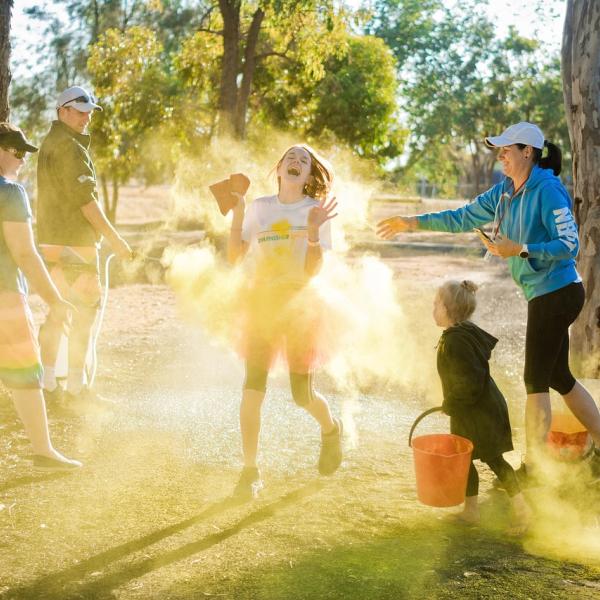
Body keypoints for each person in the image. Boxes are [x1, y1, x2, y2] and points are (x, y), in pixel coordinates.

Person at [377, 122, 600, 480]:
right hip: (543, 294)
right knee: (558, 376)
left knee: (535, 380)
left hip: (558, 292)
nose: (500, 156)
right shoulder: (503, 193)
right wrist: (411, 223)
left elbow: (569, 245)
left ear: (528, 152)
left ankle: (534, 468)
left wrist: (521, 249)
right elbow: (461, 217)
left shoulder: (548, 190)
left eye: (506, 150)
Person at [227, 144, 342, 498]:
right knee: (252, 389)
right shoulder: (260, 208)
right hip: (262, 305)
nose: (296, 161)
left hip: (299, 308)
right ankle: (250, 471)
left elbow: (312, 272)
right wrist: (238, 213)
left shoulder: (315, 211)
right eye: (290, 157)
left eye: (304, 160)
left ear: (308, 176)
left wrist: (311, 232)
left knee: (301, 393)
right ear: (279, 169)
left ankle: (330, 429)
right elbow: (234, 258)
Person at [36, 86, 132, 403]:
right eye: (80, 111)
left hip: (50, 242)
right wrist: (116, 240)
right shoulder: (69, 147)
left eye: (89, 111)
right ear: (62, 111)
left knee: (56, 312)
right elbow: (86, 202)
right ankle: (76, 389)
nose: (86, 117)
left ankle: (49, 385)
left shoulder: (51, 142)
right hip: (75, 244)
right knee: (83, 315)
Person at [0, 123, 81, 469]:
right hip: (4, 297)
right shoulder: (10, 194)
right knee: (24, 375)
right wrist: (56, 301)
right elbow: (24, 254)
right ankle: (43, 451)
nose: (20, 161)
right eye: (16, 152)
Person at [434, 280, 531, 532]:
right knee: (465, 460)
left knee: (494, 460)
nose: (432, 309)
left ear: (448, 309)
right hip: (471, 410)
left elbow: (471, 381)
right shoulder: (458, 334)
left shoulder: (457, 341)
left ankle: (523, 512)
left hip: (481, 411)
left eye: (436, 305)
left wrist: (450, 403)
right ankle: (471, 512)